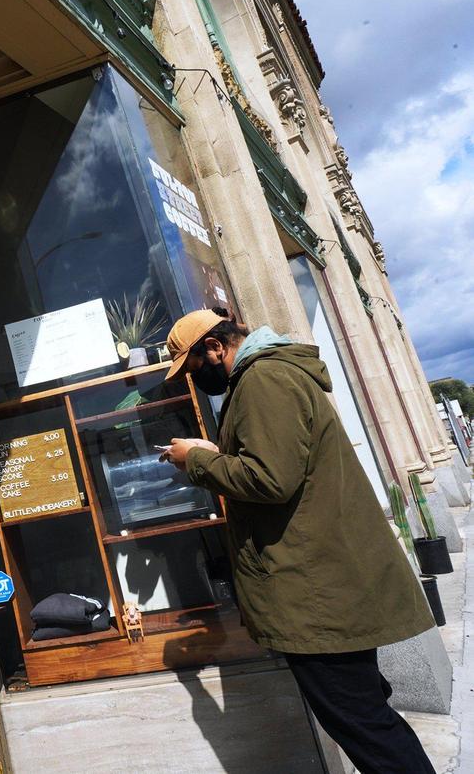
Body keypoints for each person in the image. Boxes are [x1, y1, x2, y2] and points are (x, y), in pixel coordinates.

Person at [161, 307, 437, 773]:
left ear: (214, 347)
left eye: (193, 368)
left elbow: (272, 479)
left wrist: (197, 461)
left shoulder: (262, 379)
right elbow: (283, 467)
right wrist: (215, 455)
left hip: (317, 592)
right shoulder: (270, 374)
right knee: (366, 716)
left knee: (364, 725)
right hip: (325, 581)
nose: (194, 380)